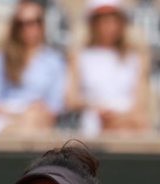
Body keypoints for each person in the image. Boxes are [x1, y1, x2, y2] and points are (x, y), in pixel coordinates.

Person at [65, 0, 151, 137]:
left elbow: (140, 102)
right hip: (94, 122)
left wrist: (122, 117)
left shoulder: (136, 57)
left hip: (129, 122)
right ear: (93, 23)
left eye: (113, 19)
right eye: (103, 19)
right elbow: (71, 99)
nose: (108, 25)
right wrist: (94, 107)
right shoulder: (79, 56)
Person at [0, 0, 65, 137]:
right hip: (5, 119)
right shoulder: (0, 58)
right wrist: (22, 110)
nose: (29, 28)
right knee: (30, 124)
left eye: (34, 22)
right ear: (15, 26)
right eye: (22, 23)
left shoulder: (54, 60)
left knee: (33, 123)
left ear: (42, 25)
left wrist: (35, 112)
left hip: (41, 120)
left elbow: (55, 106)